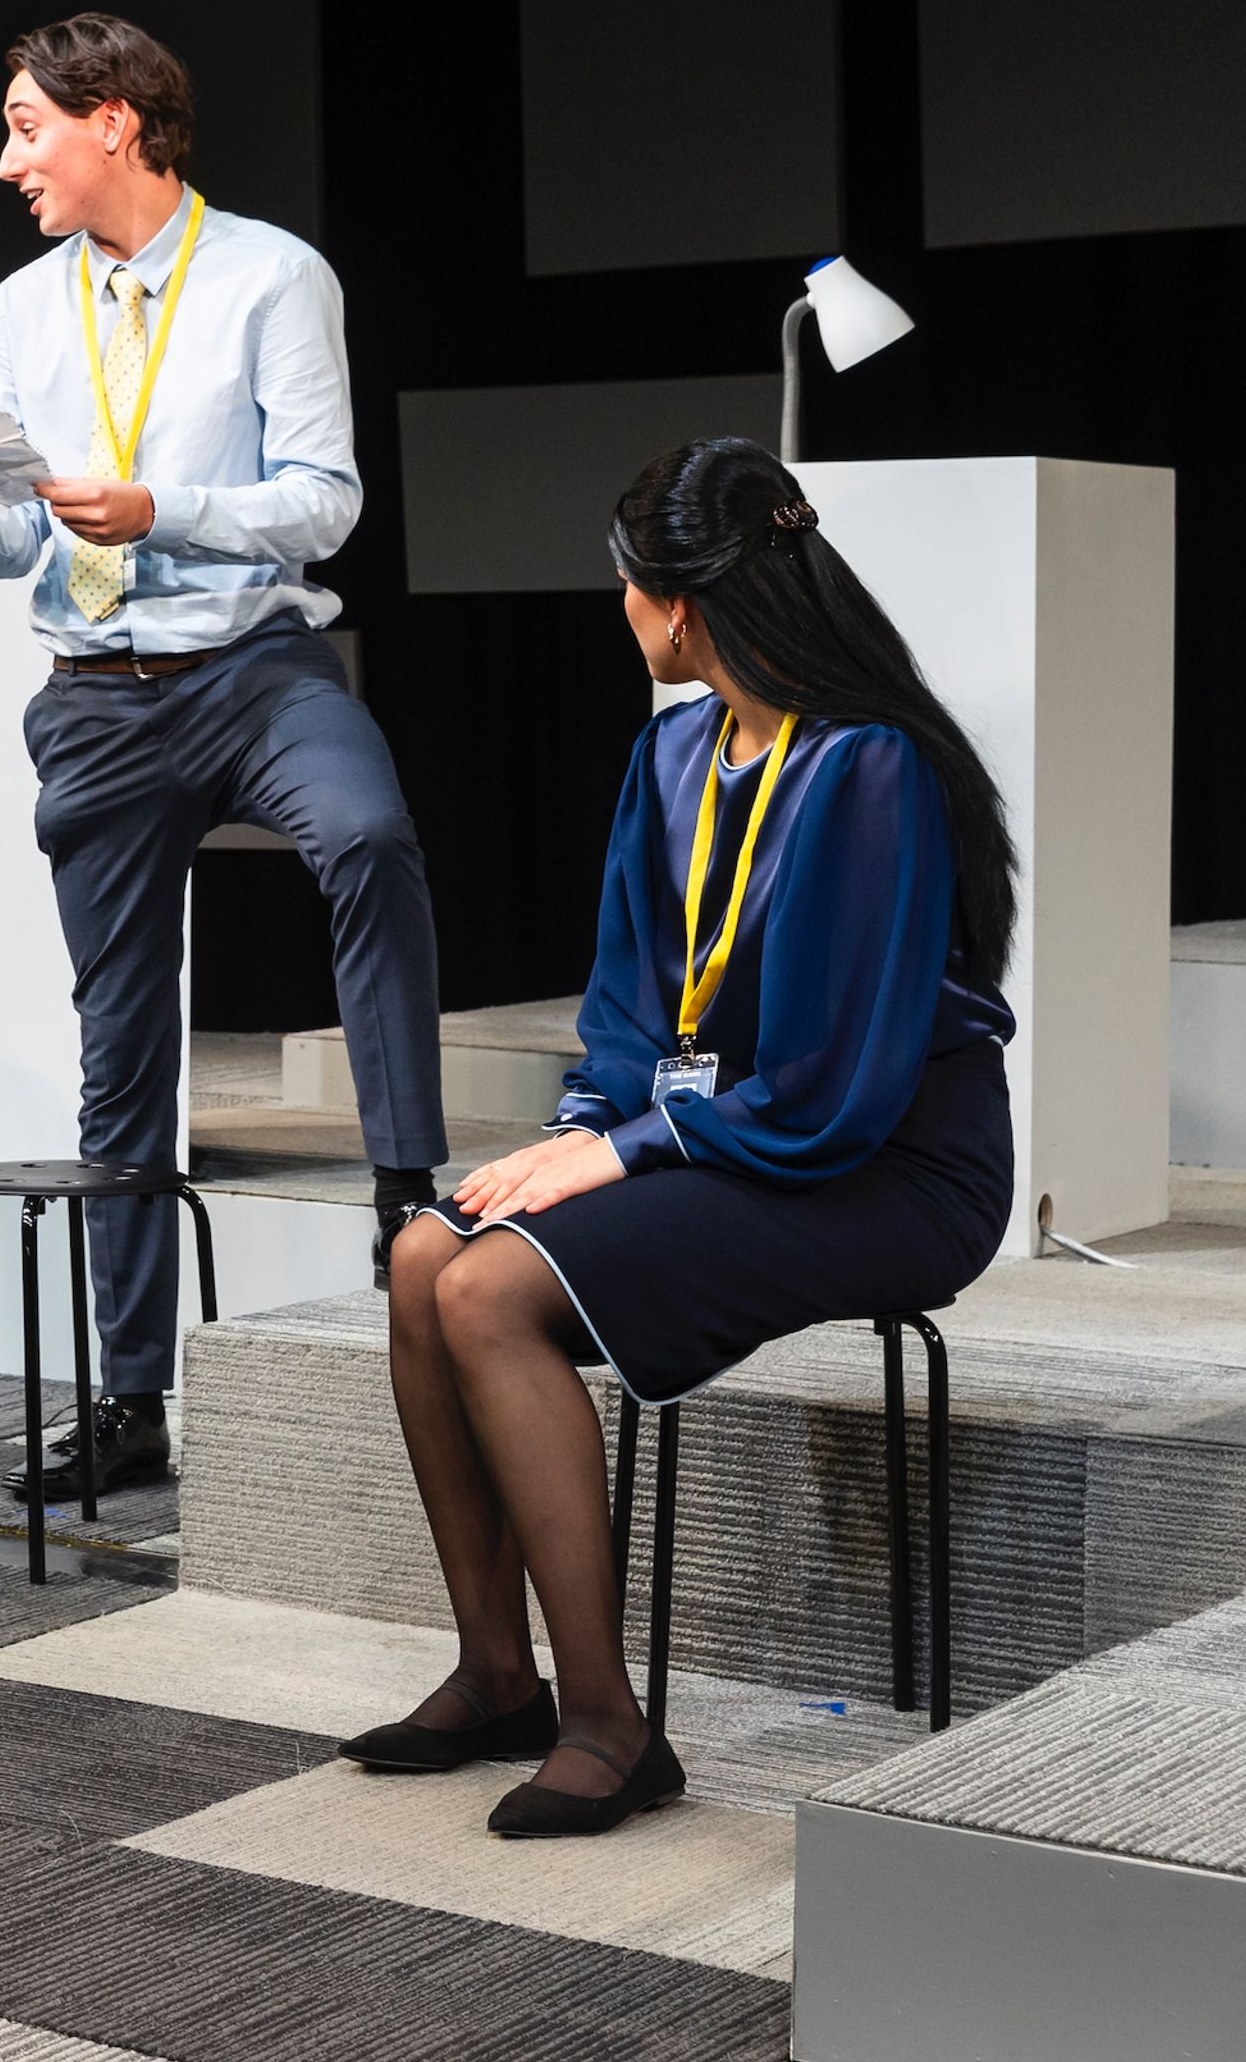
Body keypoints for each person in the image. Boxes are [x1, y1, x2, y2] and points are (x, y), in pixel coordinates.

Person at [350, 438, 1017, 1836]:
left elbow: (839, 1081)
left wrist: (632, 1152)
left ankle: (610, 1724)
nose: (621, 610)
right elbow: (627, 1009)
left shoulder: (868, 768)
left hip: (884, 1165)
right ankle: (497, 1675)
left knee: (487, 1284)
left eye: (625, 586)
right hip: (728, 1132)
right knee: (425, 1250)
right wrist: (594, 1121)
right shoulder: (672, 752)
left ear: (683, 607)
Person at [0, 13, 445, 1502]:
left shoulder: (271, 274)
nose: (9, 160)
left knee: (369, 836)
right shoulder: (23, 306)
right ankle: (128, 1398)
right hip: (95, 690)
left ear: (118, 121)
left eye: (28, 127)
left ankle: (409, 1191)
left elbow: (323, 502)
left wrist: (165, 508)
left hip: (257, 668)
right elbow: (18, 532)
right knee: (119, 1055)